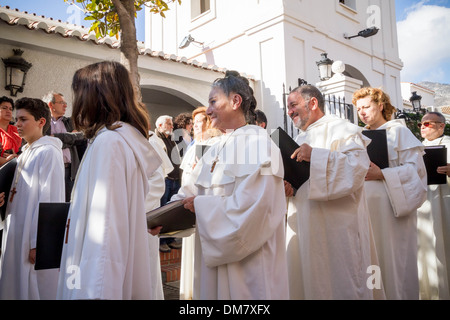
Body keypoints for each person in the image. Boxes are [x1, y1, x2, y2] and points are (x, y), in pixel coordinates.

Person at [172, 74, 289, 300]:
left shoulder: (261, 145)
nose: (208, 110)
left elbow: (259, 208)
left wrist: (201, 206)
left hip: (247, 266)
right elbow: (191, 190)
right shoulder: (214, 148)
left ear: (235, 102)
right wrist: (166, 218)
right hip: (212, 260)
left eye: (213, 102)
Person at [56, 61, 164, 300]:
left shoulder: (110, 143)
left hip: (97, 282)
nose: (77, 101)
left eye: (80, 93)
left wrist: (96, 292)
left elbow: (103, 232)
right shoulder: (115, 139)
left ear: (96, 96)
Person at [284, 85, 381, 300]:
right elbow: (302, 182)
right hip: (307, 226)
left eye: (293, 105)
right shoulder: (298, 141)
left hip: (338, 229)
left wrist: (316, 156)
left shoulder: (342, 129)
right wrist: (289, 187)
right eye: (287, 107)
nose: (289, 111)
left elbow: (357, 168)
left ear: (313, 103)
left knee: (341, 283)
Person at [353, 87, 427, 300]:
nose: (362, 112)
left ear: (381, 105)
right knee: (370, 264)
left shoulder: (399, 132)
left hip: (392, 210)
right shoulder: (357, 137)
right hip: (365, 210)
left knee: (394, 262)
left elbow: (417, 172)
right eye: (359, 109)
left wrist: (383, 174)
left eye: (366, 106)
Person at [0, 97, 65, 300]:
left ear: (41, 122)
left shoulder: (48, 153)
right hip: (14, 231)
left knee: (33, 288)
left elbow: (51, 199)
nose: (17, 124)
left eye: (23, 119)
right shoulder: (25, 152)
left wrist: (40, 243)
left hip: (31, 238)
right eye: (16, 119)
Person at [178, 106, 221, 300]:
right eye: (193, 123)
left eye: (200, 122)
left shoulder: (215, 144)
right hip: (188, 204)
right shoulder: (192, 148)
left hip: (205, 206)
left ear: (209, 123)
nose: (195, 126)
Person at [417, 111, 450, 300]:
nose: (423, 126)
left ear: (441, 126)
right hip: (423, 206)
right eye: (422, 123)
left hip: (445, 203)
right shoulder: (416, 148)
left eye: (428, 123)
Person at [43, 92, 87, 202]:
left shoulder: (70, 122)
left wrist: (55, 137)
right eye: (61, 102)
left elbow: (80, 137)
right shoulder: (43, 123)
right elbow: (44, 141)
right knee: (51, 202)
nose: (65, 105)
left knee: (69, 203)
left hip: (69, 170)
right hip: (50, 170)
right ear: (51, 105)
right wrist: (69, 139)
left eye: (65, 103)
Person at [155, 115, 183, 252]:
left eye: (171, 124)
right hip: (166, 180)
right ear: (160, 126)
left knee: (172, 212)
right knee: (162, 211)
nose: (172, 127)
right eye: (169, 124)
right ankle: (162, 241)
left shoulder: (171, 139)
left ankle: (170, 239)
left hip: (175, 179)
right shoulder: (155, 140)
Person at [0, 96, 22, 166]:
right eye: (4, 108)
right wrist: (7, 160)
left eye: (10, 109)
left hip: (15, 170)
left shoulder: (17, 130)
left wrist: (16, 157)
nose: (8, 111)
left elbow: (24, 151)